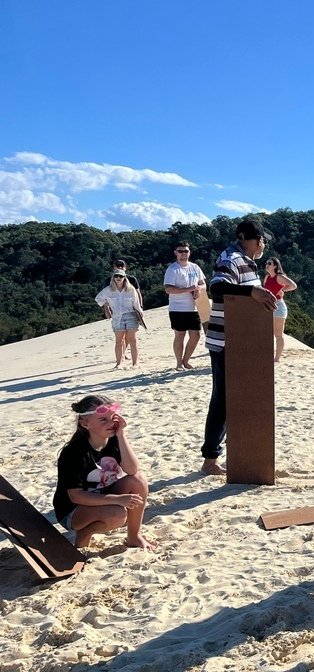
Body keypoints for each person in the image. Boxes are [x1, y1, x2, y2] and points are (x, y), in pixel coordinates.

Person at [200, 217, 278, 475]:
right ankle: (210, 460)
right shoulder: (231, 259)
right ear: (247, 238)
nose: (263, 244)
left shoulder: (247, 263)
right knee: (223, 399)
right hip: (226, 342)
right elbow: (217, 288)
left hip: (242, 343)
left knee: (237, 397)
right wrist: (252, 293)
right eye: (261, 239)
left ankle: (237, 453)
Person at [53, 394, 154, 550]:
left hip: (101, 496)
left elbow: (132, 469)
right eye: (103, 420)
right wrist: (117, 499)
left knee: (138, 479)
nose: (111, 423)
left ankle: (134, 536)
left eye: (113, 418)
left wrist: (122, 435)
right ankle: (84, 533)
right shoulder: (74, 453)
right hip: (73, 510)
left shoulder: (113, 440)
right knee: (117, 514)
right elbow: (76, 496)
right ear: (85, 423)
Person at [163, 241, 207, 370]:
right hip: (177, 307)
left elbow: (203, 284)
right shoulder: (172, 269)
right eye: (180, 251)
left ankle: (186, 360)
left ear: (189, 252)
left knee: (196, 335)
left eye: (186, 251)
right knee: (180, 334)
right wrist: (188, 289)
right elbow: (168, 289)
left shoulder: (195, 267)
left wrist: (198, 289)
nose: (183, 254)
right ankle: (178, 362)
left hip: (194, 307)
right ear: (176, 253)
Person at [95, 269, 143, 368]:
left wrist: (140, 314)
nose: (118, 278)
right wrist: (107, 304)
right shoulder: (108, 290)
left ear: (124, 278)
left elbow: (136, 303)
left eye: (120, 276)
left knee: (132, 340)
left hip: (130, 315)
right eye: (116, 276)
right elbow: (98, 299)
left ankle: (135, 363)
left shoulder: (131, 289)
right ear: (113, 278)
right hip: (117, 317)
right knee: (119, 341)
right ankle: (119, 363)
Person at [263, 257, 298, 363]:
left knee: (278, 334)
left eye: (269, 263)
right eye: (267, 263)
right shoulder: (267, 277)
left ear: (275, 266)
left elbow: (293, 285)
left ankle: (277, 358)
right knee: (266, 332)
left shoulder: (279, 277)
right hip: (268, 305)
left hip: (278, 307)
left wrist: (282, 290)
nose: (267, 265)